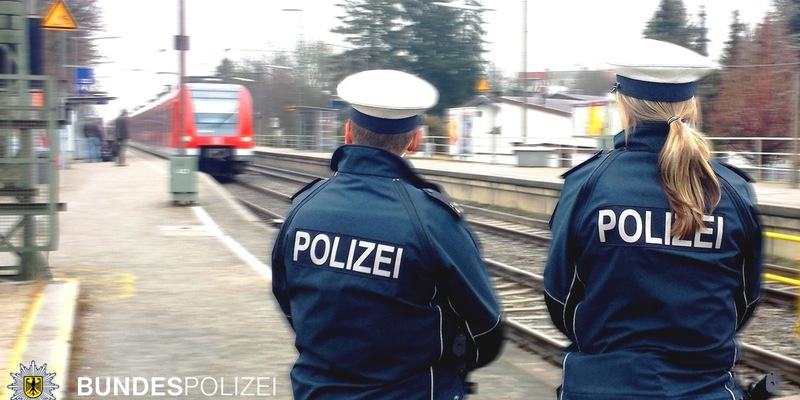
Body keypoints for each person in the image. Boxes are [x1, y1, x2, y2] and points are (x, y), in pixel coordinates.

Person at [543, 38, 763, 399]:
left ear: (623, 103)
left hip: (602, 385)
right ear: (691, 105)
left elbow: (561, 296)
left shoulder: (588, 185)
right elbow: (745, 299)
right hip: (705, 387)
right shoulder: (732, 191)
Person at [271, 69, 504, 400]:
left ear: (348, 132)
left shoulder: (302, 209)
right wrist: (451, 365)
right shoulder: (431, 220)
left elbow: (289, 299)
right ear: (415, 139)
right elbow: (487, 327)